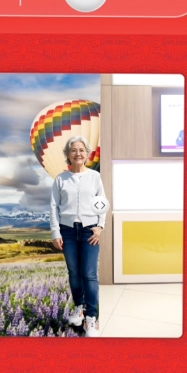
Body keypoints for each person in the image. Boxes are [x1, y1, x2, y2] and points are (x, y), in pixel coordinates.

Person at [50, 136, 107, 337]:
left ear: (87, 153)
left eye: (81, 150)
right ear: (68, 154)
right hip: (67, 231)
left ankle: (91, 318)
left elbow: (102, 204)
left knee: (89, 273)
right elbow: (54, 207)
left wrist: (100, 226)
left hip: (89, 230)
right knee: (74, 273)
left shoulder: (94, 177)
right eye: (73, 150)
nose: (78, 153)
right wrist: (56, 232)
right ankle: (79, 308)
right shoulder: (60, 179)